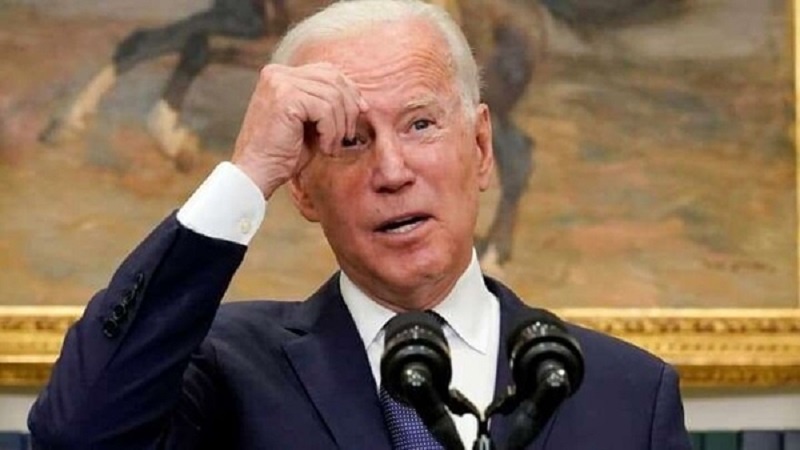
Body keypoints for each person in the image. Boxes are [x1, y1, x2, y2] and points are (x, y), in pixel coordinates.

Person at [28, 1, 692, 449]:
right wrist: (247, 172)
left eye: (421, 124)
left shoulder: (628, 395)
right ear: (302, 189)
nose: (392, 171)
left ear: (482, 148)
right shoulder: (225, 370)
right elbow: (78, 434)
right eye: (350, 140)